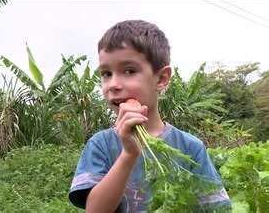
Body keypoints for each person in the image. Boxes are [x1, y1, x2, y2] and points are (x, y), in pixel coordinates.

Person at [68, 20, 231, 212]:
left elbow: (215, 208)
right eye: (106, 73)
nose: (113, 84)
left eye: (129, 71)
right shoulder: (101, 144)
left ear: (161, 79)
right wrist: (128, 155)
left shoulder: (190, 146)